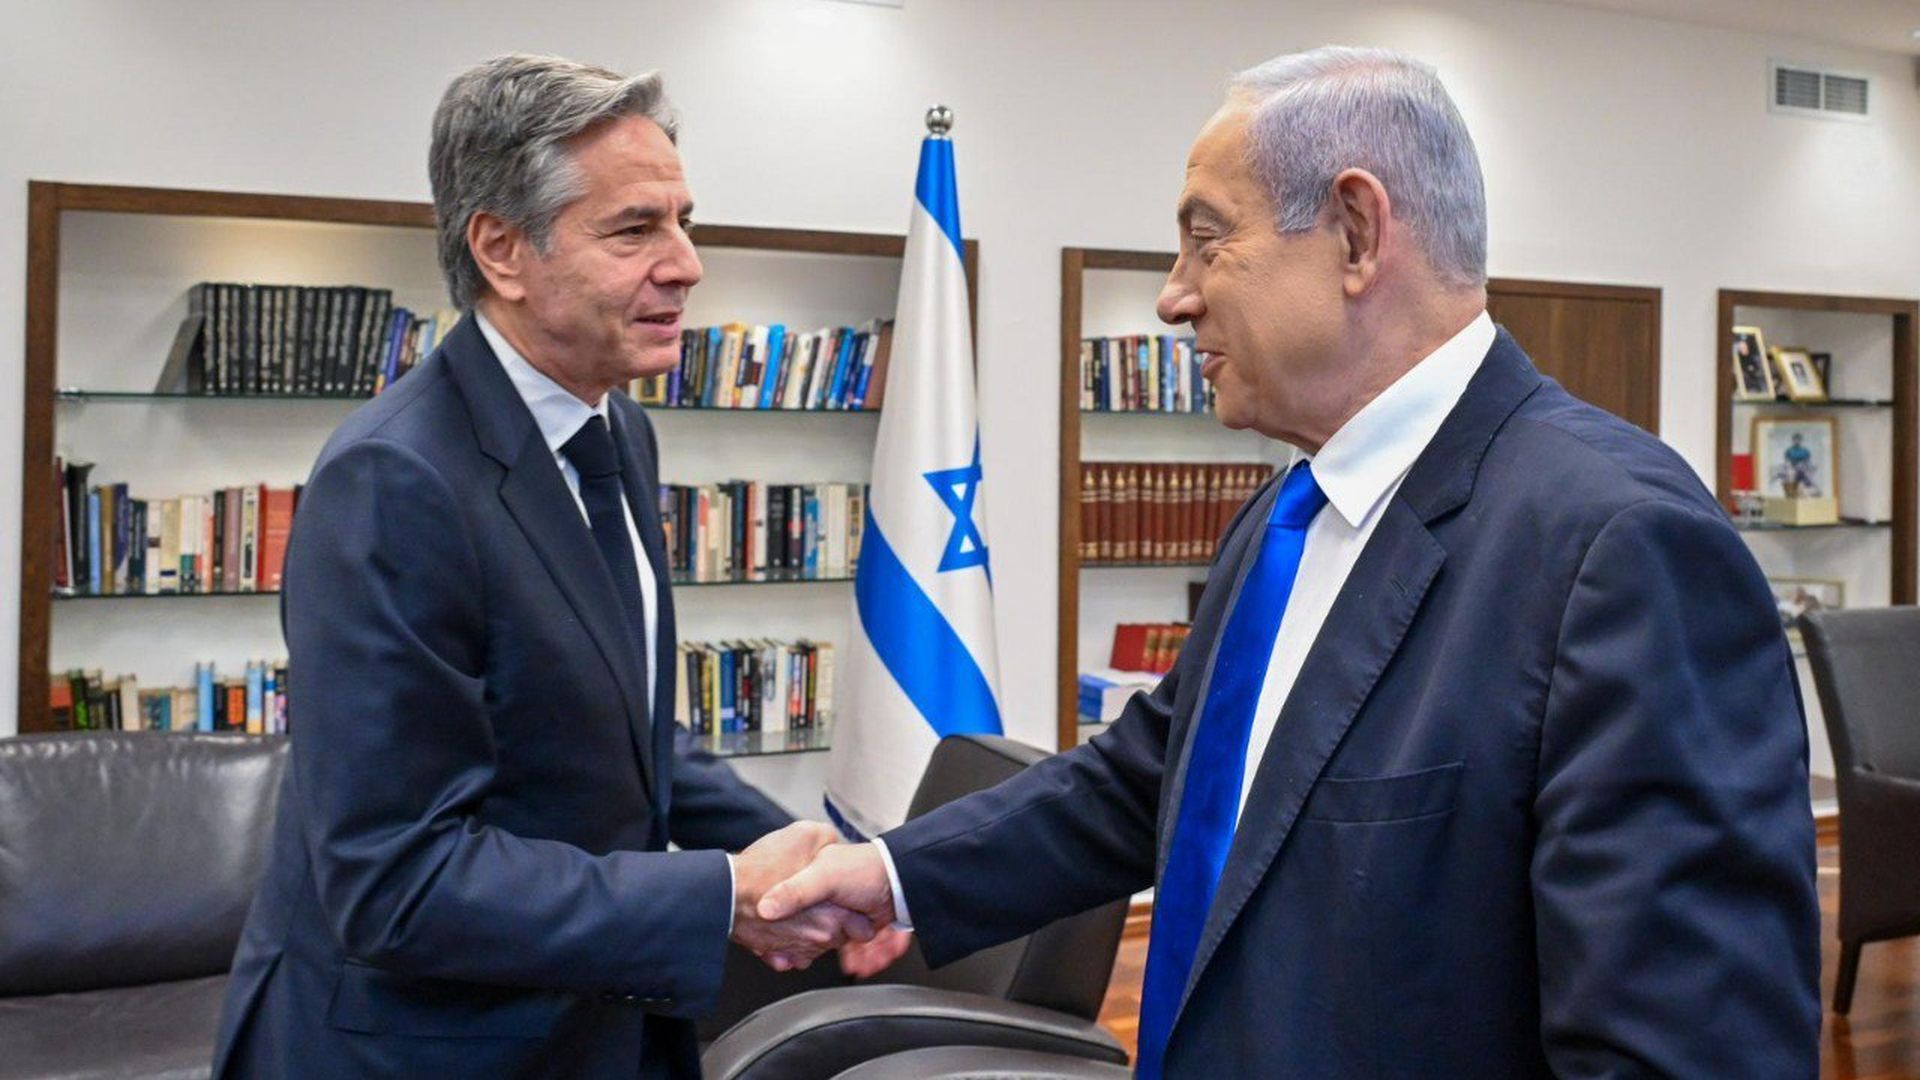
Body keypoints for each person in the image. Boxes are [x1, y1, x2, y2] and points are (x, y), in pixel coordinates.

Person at [760, 46, 1820, 1076]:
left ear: (1357, 233)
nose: (1174, 297)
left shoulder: (1621, 548)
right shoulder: (1285, 516)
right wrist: (893, 874)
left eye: (1206, 241)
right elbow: (1150, 782)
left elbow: (1686, 1046)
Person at [212, 54, 897, 1079]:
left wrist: (812, 868)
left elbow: (621, 738)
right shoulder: (393, 481)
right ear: (502, 250)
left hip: (597, 1019)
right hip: (420, 1049)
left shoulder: (618, 430)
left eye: (684, 219)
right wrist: (721, 895)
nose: (686, 263)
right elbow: (396, 881)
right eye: (634, 230)